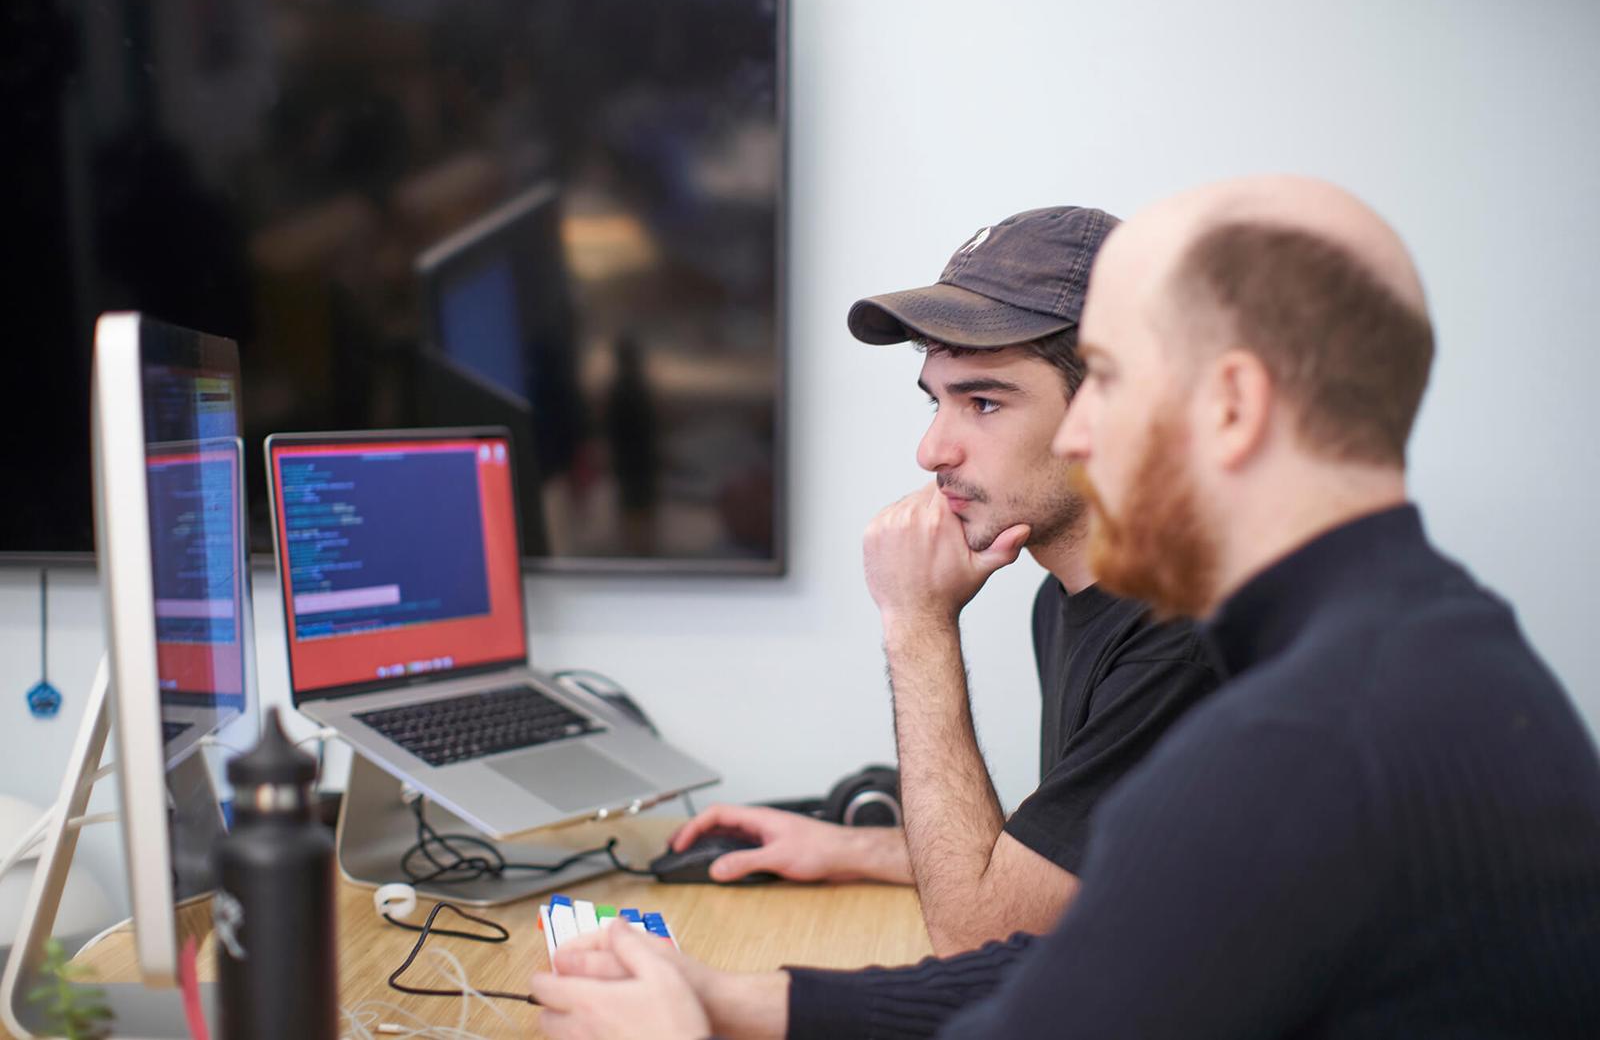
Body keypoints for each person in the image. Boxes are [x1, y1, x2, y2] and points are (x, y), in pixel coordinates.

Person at [528, 175, 1600, 1039]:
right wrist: (751, 1003)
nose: (1083, 437)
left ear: (1229, 405)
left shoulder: (1299, 735)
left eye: (1113, 383)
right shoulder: (1421, 648)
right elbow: (1091, 955)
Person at [667, 206, 1221, 954]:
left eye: (984, 402)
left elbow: (984, 941)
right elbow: (1058, 869)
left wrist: (918, 622)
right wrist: (849, 849)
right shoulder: (1069, 601)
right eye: (938, 400)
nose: (931, 450)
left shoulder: (1186, 639)